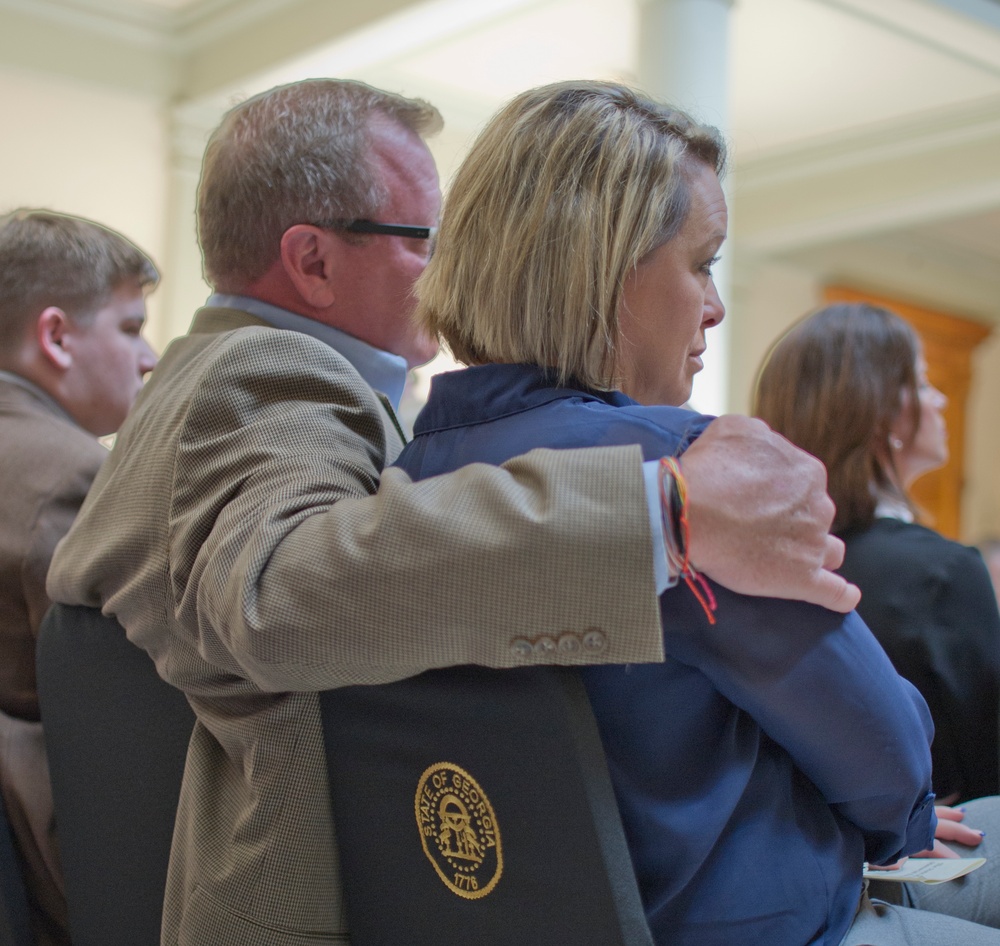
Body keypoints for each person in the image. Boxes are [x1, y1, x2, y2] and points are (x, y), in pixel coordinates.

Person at [48, 78, 857, 946]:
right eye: (426, 239)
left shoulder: (197, 376)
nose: (453, 266)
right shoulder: (264, 370)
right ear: (313, 260)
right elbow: (273, 595)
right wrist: (664, 514)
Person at [393, 79, 1000, 945]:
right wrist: (901, 819)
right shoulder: (692, 476)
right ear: (602, 266)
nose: (715, 307)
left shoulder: (406, 475)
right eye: (703, 262)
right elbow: (887, 755)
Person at [754, 302, 1000, 805]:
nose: (941, 400)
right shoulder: (942, 572)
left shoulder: (752, 567)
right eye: (925, 383)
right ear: (885, 410)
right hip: (924, 849)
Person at [0, 208, 158, 946]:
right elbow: (111, 726)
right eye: (130, 328)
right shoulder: (70, 473)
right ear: (56, 336)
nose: (151, 355)